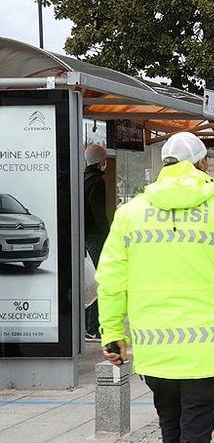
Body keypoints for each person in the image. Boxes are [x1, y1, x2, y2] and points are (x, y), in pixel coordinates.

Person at [97, 131, 214, 443]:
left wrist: (113, 333)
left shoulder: (130, 214)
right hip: (210, 352)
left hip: (156, 352)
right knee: (197, 434)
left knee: (169, 426)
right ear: (201, 163)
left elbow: (111, 280)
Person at [83, 144, 110, 341]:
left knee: (89, 281)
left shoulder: (81, 179)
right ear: (102, 161)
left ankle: (85, 325)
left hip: (82, 238)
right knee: (101, 281)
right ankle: (93, 327)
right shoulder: (97, 182)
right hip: (96, 238)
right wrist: (111, 236)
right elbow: (99, 214)